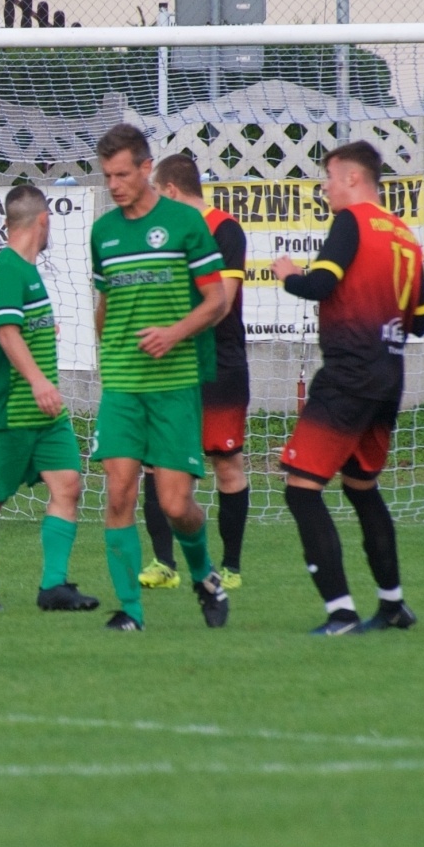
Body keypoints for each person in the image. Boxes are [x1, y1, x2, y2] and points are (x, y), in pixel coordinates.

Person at [271, 140, 424, 635]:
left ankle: (340, 612)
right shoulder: (405, 234)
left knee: (302, 488)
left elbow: (319, 285)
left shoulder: (352, 221)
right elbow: (421, 322)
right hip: (389, 376)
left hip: (349, 374)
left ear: (354, 179)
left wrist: (289, 275)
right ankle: (393, 605)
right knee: (362, 488)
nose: (325, 187)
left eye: (329, 177)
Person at [88, 124, 231, 631]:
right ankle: (129, 610)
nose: (114, 184)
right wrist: (106, 354)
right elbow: (105, 303)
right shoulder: (103, 232)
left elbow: (216, 301)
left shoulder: (186, 225)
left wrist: (173, 333)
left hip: (175, 381)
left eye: (122, 174)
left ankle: (205, 576)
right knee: (119, 493)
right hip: (123, 385)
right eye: (107, 176)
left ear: (147, 168)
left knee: (175, 504)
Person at [0, 183, 99, 613]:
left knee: (69, 484)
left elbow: (21, 328)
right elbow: (6, 333)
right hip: (6, 413)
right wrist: (40, 381)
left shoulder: (28, 271)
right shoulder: (5, 270)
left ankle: (53, 586)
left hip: (44, 414)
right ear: (43, 221)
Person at [139, 155, 251, 591]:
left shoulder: (224, 228)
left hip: (219, 362)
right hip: (170, 364)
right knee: (156, 463)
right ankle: (164, 564)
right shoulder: (162, 236)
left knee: (226, 462)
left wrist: (172, 324)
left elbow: (221, 301)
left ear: (168, 190)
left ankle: (232, 567)